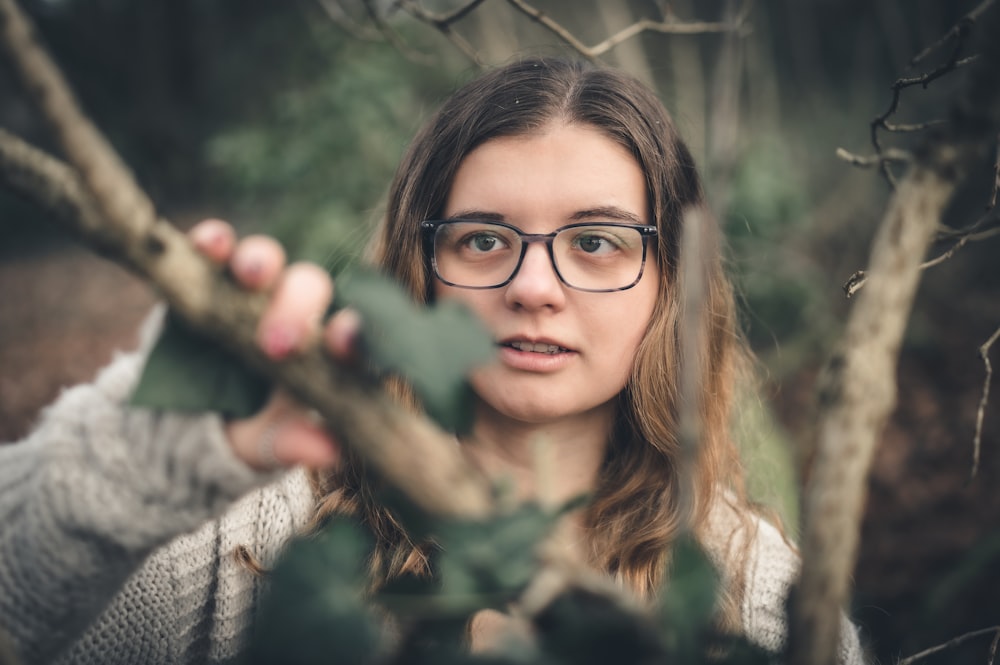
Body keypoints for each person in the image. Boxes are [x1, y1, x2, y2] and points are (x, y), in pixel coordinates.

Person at [0, 57, 865, 664]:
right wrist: (132, 462)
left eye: (596, 241)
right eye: (484, 238)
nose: (533, 286)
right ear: (418, 266)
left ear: (669, 281)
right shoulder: (249, 541)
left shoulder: (756, 592)